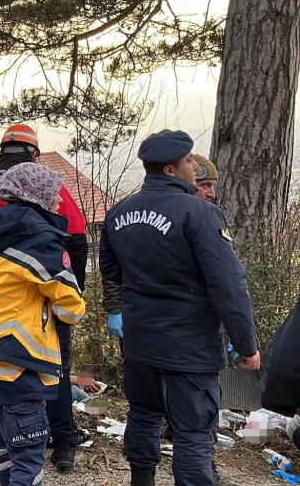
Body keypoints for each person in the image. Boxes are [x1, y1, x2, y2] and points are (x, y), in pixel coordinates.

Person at [99, 130, 260, 486]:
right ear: (171, 170)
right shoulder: (200, 214)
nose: (193, 167)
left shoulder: (118, 213)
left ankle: (142, 481)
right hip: (188, 345)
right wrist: (246, 344)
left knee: (143, 413)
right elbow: (229, 286)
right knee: (192, 431)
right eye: (189, 161)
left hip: (140, 341)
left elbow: (111, 273)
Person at [0, 123, 88, 470]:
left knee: (0, 419)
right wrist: (70, 286)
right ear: (33, 151)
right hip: (33, 315)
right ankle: (62, 442)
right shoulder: (42, 186)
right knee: (52, 370)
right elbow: (76, 234)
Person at [103, 152, 220, 337]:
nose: (212, 194)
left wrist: (232, 327)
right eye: (205, 185)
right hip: (159, 325)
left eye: (213, 186)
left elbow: (221, 280)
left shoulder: (208, 218)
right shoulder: (143, 218)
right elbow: (114, 268)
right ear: (189, 184)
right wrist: (115, 308)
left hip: (193, 324)